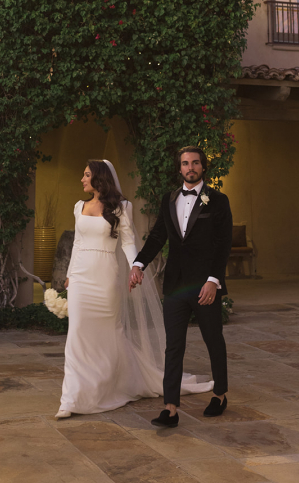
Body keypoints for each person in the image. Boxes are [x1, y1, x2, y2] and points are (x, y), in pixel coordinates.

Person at [55, 159, 211, 418]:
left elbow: (128, 242)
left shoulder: (122, 208)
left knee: (109, 334)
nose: (82, 179)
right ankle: (71, 399)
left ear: (99, 178)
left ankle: (112, 383)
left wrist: (135, 267)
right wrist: (70, 275)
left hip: (105, 277)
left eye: (86, 175)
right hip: (81, 277)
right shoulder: (78, 206)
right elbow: (77, 243)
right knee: (76, 334)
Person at [130, 146, 233, 427]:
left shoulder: (218, 200)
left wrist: (213, 280)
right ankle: (171, 408)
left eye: (195, 163)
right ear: (179, 169)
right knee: (173, 346)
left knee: (213, 340)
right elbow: (157, 236)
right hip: (175, 285)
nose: (191, 168)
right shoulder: (169, 199)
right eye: (186, 163)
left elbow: (223, 243)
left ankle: (220, 394)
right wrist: (138, 264)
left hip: (204, 285)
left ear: (203, 167)